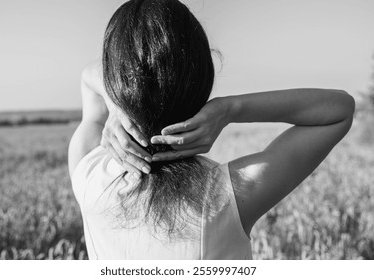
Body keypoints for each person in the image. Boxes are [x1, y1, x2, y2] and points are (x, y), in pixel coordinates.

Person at [68, 0, 355, 260]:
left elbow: (87, 78)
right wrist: (229, 109)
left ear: (116, 82)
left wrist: (117, 105)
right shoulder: (228, 196)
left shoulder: (88, 172)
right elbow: (339, 110)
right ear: (202, 77)